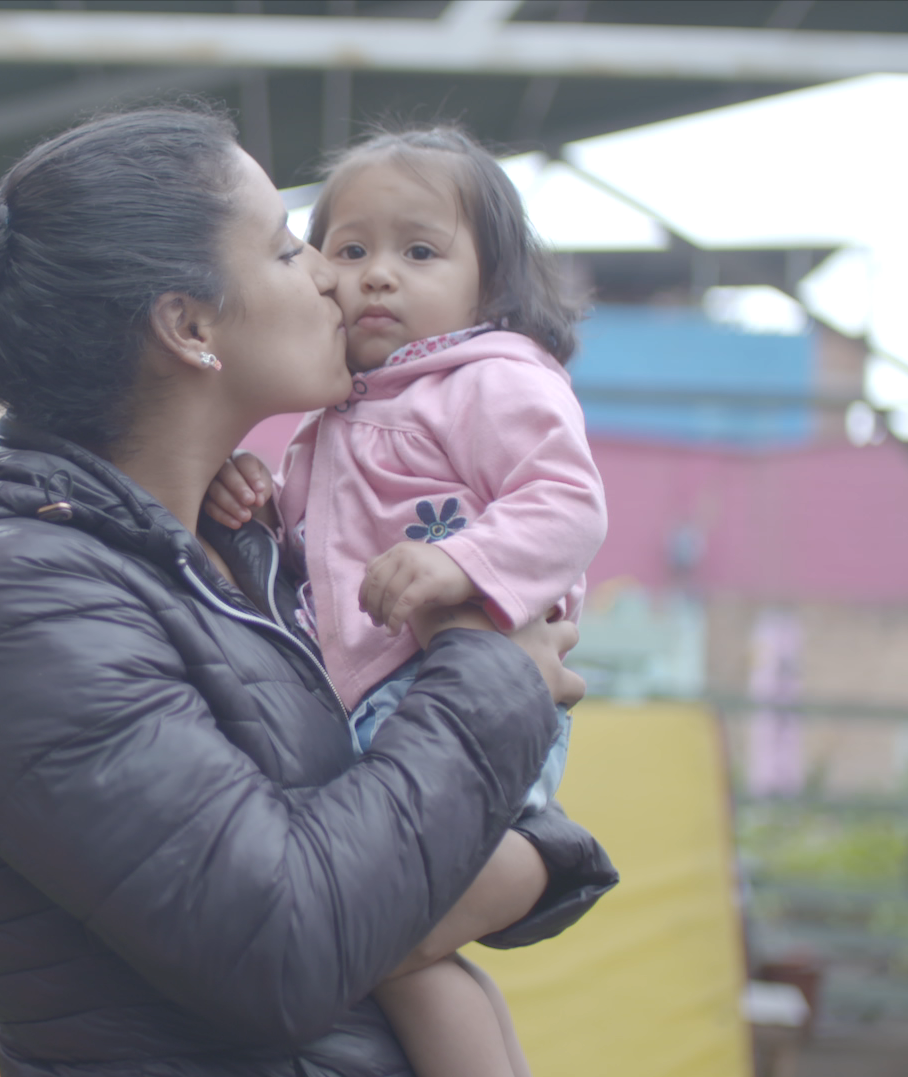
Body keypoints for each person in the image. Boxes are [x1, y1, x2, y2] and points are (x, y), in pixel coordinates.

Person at [0, 107, 617, 1077]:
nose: (333, 277)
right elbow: (283, 942)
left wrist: (532, 847)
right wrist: (493, 676)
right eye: (290, 248)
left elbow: (370, 831)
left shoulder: (230, 552)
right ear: (190, 326)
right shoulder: (12, 602)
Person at [205, 125, 603, 1076]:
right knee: (408, 959)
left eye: (419, 252)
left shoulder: (490, 381)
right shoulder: (338, 413)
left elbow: (567, 503)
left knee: (382, 945)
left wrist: (462, 562)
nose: (377, 274)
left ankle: (530, 867)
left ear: (491, 285)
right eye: (349, 250)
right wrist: (258, 501)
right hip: (389, 712)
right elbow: (316, 553)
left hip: (457, 699)